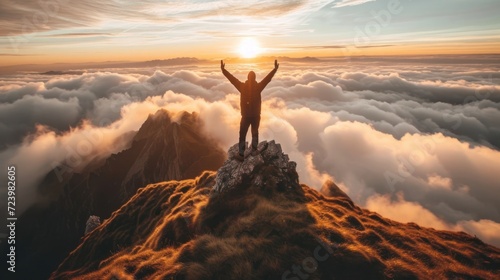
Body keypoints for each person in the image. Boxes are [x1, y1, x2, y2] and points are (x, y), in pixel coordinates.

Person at [221, 59, 279, 161]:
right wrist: (275, 69)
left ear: (247, 78)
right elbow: (267, 79)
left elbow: (231, 79)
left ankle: (241, 154)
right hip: (256, 116)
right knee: (255, 132)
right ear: (255, 78)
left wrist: (223, 70)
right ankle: (254, 150)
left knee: (242, 134)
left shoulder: (242, 87)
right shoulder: (258, 87)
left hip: (246, 116)